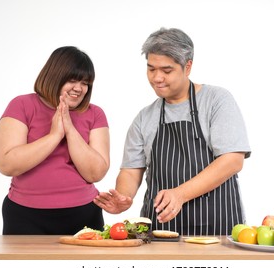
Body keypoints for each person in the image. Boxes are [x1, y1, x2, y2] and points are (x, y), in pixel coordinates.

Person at [94, 28, 251, 236]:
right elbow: (131, 170)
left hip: (216, 228)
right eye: (151, 69)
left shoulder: (216, 100)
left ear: (187, 67)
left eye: (166, 71)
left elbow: (232, 160)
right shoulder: (144, 118)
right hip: (160, 229)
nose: (157, 78)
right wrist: (124, 196)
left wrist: (180, 194)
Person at [0, 46, 110, 235]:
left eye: (85, 82)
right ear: (53, 75)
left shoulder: (95, 113)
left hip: (84, 214)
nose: (79, 88)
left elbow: (95, 173)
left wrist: (70, 128)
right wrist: (54, 135)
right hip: (25, 215)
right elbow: (7, 164)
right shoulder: (21, 105)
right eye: (72, 80)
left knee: (82, 267)